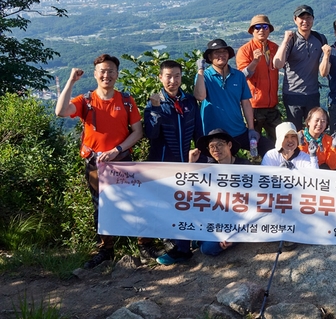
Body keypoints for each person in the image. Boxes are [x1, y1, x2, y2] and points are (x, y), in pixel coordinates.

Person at [55, 54, 150, 269]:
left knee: (135, 202)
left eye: (111, 71)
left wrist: (118, 150)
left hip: (123, 160)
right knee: (101, 206)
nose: (106, 75)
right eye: (102, 71)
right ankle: (106, 249)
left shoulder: (126, 100)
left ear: (117, 74)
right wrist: (71, 81)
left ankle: (144, 244)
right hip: (96, 164)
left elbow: (137, 132)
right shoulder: (85, 100)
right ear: (96, 74)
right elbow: (60, 111)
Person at [166, 129, 251, 260]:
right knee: (182, 205)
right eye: (211, 147)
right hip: (214, 219)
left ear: (229, 145)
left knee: (208, 249)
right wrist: (191, 163)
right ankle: (183, 250)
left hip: (238, 220)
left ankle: (205, 240)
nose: (216, 149)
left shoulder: (245, 166)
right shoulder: (209, 168)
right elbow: (188, 189)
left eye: (220, 145)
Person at [194, 38, 263, 155]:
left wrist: (251, 128)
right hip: (213, 134)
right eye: (216, 52)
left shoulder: (239, 76)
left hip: (238, 131)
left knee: (268, 146)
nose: (221, 55)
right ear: (209, 58)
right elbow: (200, 96)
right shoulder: (204, 76)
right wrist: (200, 70)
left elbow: (246, 103)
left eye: (224, 52)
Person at [273, 5, 328, 130]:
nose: (305, 21)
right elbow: (278, 64)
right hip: (293, 94)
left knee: (314, 130)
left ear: (313, 19)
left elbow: (324, 67)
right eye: (301, 18)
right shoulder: (292, 40)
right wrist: (285, 40)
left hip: (312, 94)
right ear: (295, 20)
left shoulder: (320, 39)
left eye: (308, 17)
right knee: (295, 131)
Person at [144, 60, 202, 162]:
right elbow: (151, 134)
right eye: (168, 76)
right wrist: (156, 109)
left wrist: (200, 155)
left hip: (185, 162)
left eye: (177, 76)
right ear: (160, 77)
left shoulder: (190, 101)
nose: (173, 80)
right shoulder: (154, 102)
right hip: (161, 164)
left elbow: (198, 132)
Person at [236, 15, 282, 141]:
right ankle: (254, 161)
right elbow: (242, 77)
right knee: (253, 144)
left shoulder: (274, 48)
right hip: (253, 107)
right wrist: (255, 62)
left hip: (272, 106)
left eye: (265, 26)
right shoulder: (245, 50)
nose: (261, 30)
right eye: (257, 27)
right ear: (252, 30)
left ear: (269, 29)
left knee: (279, 141)